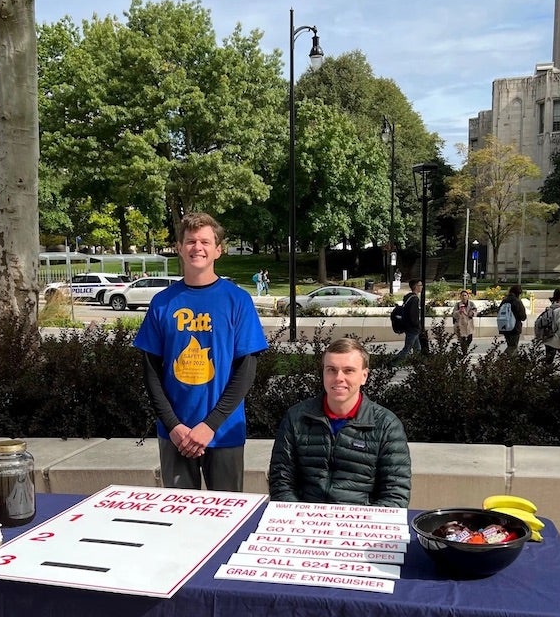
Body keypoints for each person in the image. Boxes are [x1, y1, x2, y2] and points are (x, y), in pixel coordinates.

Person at [134, 212, 268, 491]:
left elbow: (246, 372)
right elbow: (150, 371)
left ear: (218, 249)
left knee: (229, 514)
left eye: (206, 242)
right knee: (180, 518)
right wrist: (173, 425)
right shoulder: (162, 303)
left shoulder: (237, 300)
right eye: (191, 241)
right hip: (176, 435)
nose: (198, 247)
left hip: (224, 431)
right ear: (180, 248)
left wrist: (210, 425)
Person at [269, 337, 411, 507]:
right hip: (305, 520)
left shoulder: (387, 425)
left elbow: (395, 495)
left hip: (360, 525)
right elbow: (280, 482)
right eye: (331, 370)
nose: (338, 378)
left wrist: (357, 525)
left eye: (349, 370)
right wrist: (301, 517)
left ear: (364, 376)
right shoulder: (296, 417)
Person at [394, 279, 423, 361]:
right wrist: (417, 325)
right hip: (413, 328)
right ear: (415, 287)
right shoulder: (414, 299)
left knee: (417, 348)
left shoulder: (409, 297)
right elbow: (413, 315)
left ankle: (417, 364)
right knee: (407, 349)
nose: (422, 287)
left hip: (411, 328)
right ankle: (392, 363)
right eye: (420, 285)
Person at [498, 284, 527, 354]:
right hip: (515, 327)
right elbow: (523, 316)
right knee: (513, 346)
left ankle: (513, 363)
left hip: (504, 326)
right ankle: (501, 360)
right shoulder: (517, 301)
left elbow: (499, 311)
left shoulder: (504, 300)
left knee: (511, 345)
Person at [451, 288, 477, 355]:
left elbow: (475, 311)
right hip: (460, 325)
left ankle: (464, 350)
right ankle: (464, 354)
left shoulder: (471, 304)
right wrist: (459, 311)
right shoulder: (457, 305)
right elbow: (454, 314)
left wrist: (472, 313)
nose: (464, 297)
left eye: (465, 295)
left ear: (468, 296)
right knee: (462, 341)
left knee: (470, 339)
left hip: (469, 325)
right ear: (460, 297)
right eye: (462, 295)